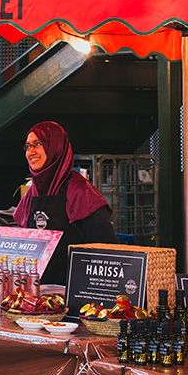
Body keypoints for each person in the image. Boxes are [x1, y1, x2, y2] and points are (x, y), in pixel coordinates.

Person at [13, 121, 116, 285]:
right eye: (27, 147)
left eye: (37, 144)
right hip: (39, 293)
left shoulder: (79, 190)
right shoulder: (31, 193)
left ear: (55, 146)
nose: (30, 152)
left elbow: (106, 249)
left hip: (75, 293)